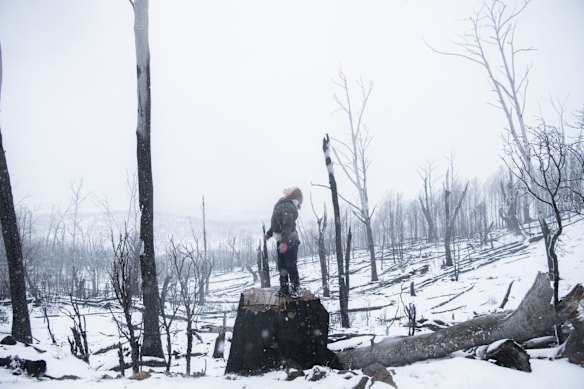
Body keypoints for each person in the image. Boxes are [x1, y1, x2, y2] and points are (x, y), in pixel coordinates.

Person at [264, 187, 303, 298]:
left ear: (293, 194)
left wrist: (284, 242)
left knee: (290, 265)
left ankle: (296, 289)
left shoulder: (288, 206)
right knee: (282, 266)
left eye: (291, 188)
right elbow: (276, 223)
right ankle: (284, 288)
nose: (287, 188)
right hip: (282, 240)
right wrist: (269, 234)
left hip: (289, 240)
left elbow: (287, 225)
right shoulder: (282, 204)